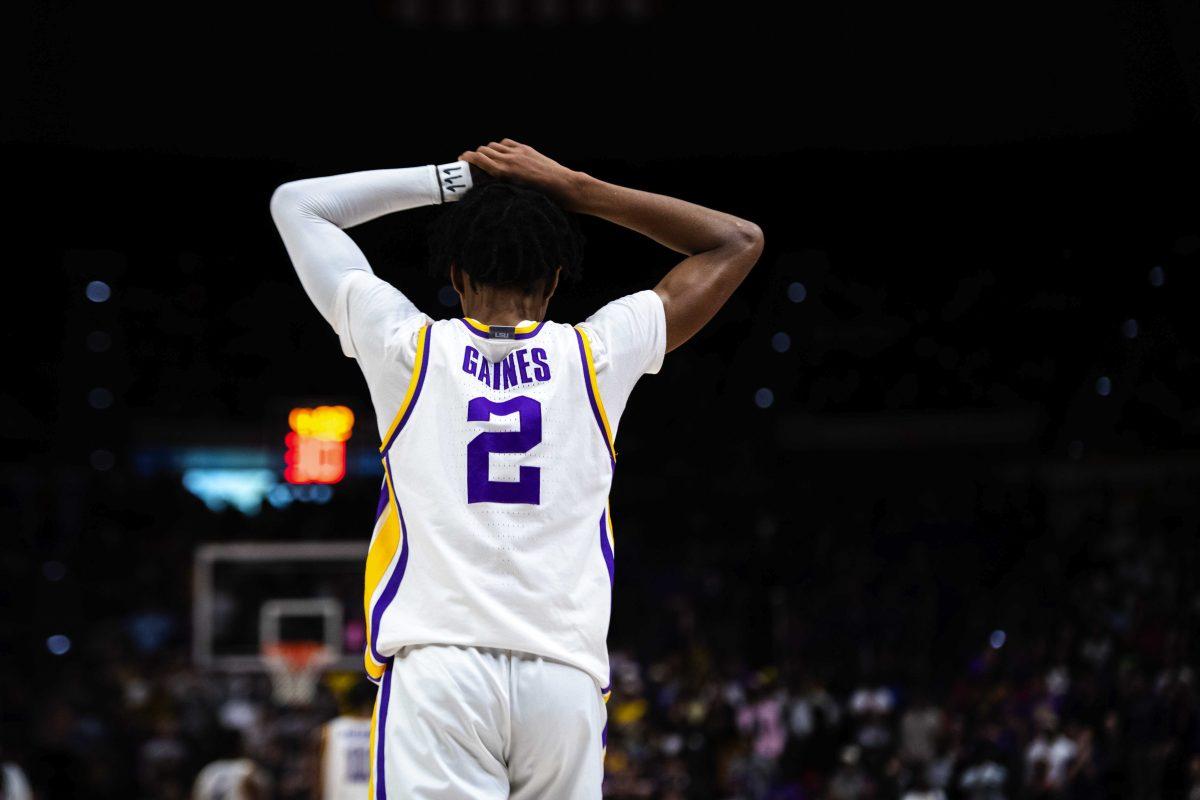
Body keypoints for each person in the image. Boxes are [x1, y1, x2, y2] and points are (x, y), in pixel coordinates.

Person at [270, 139, 764, 799]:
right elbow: (737, 239)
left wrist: (453, 177)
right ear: (557, 277)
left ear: (456, 273)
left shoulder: (406, 348)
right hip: (562, 677)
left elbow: (297, 206)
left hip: (441, 670)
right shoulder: (597, 355)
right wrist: (575, 187)